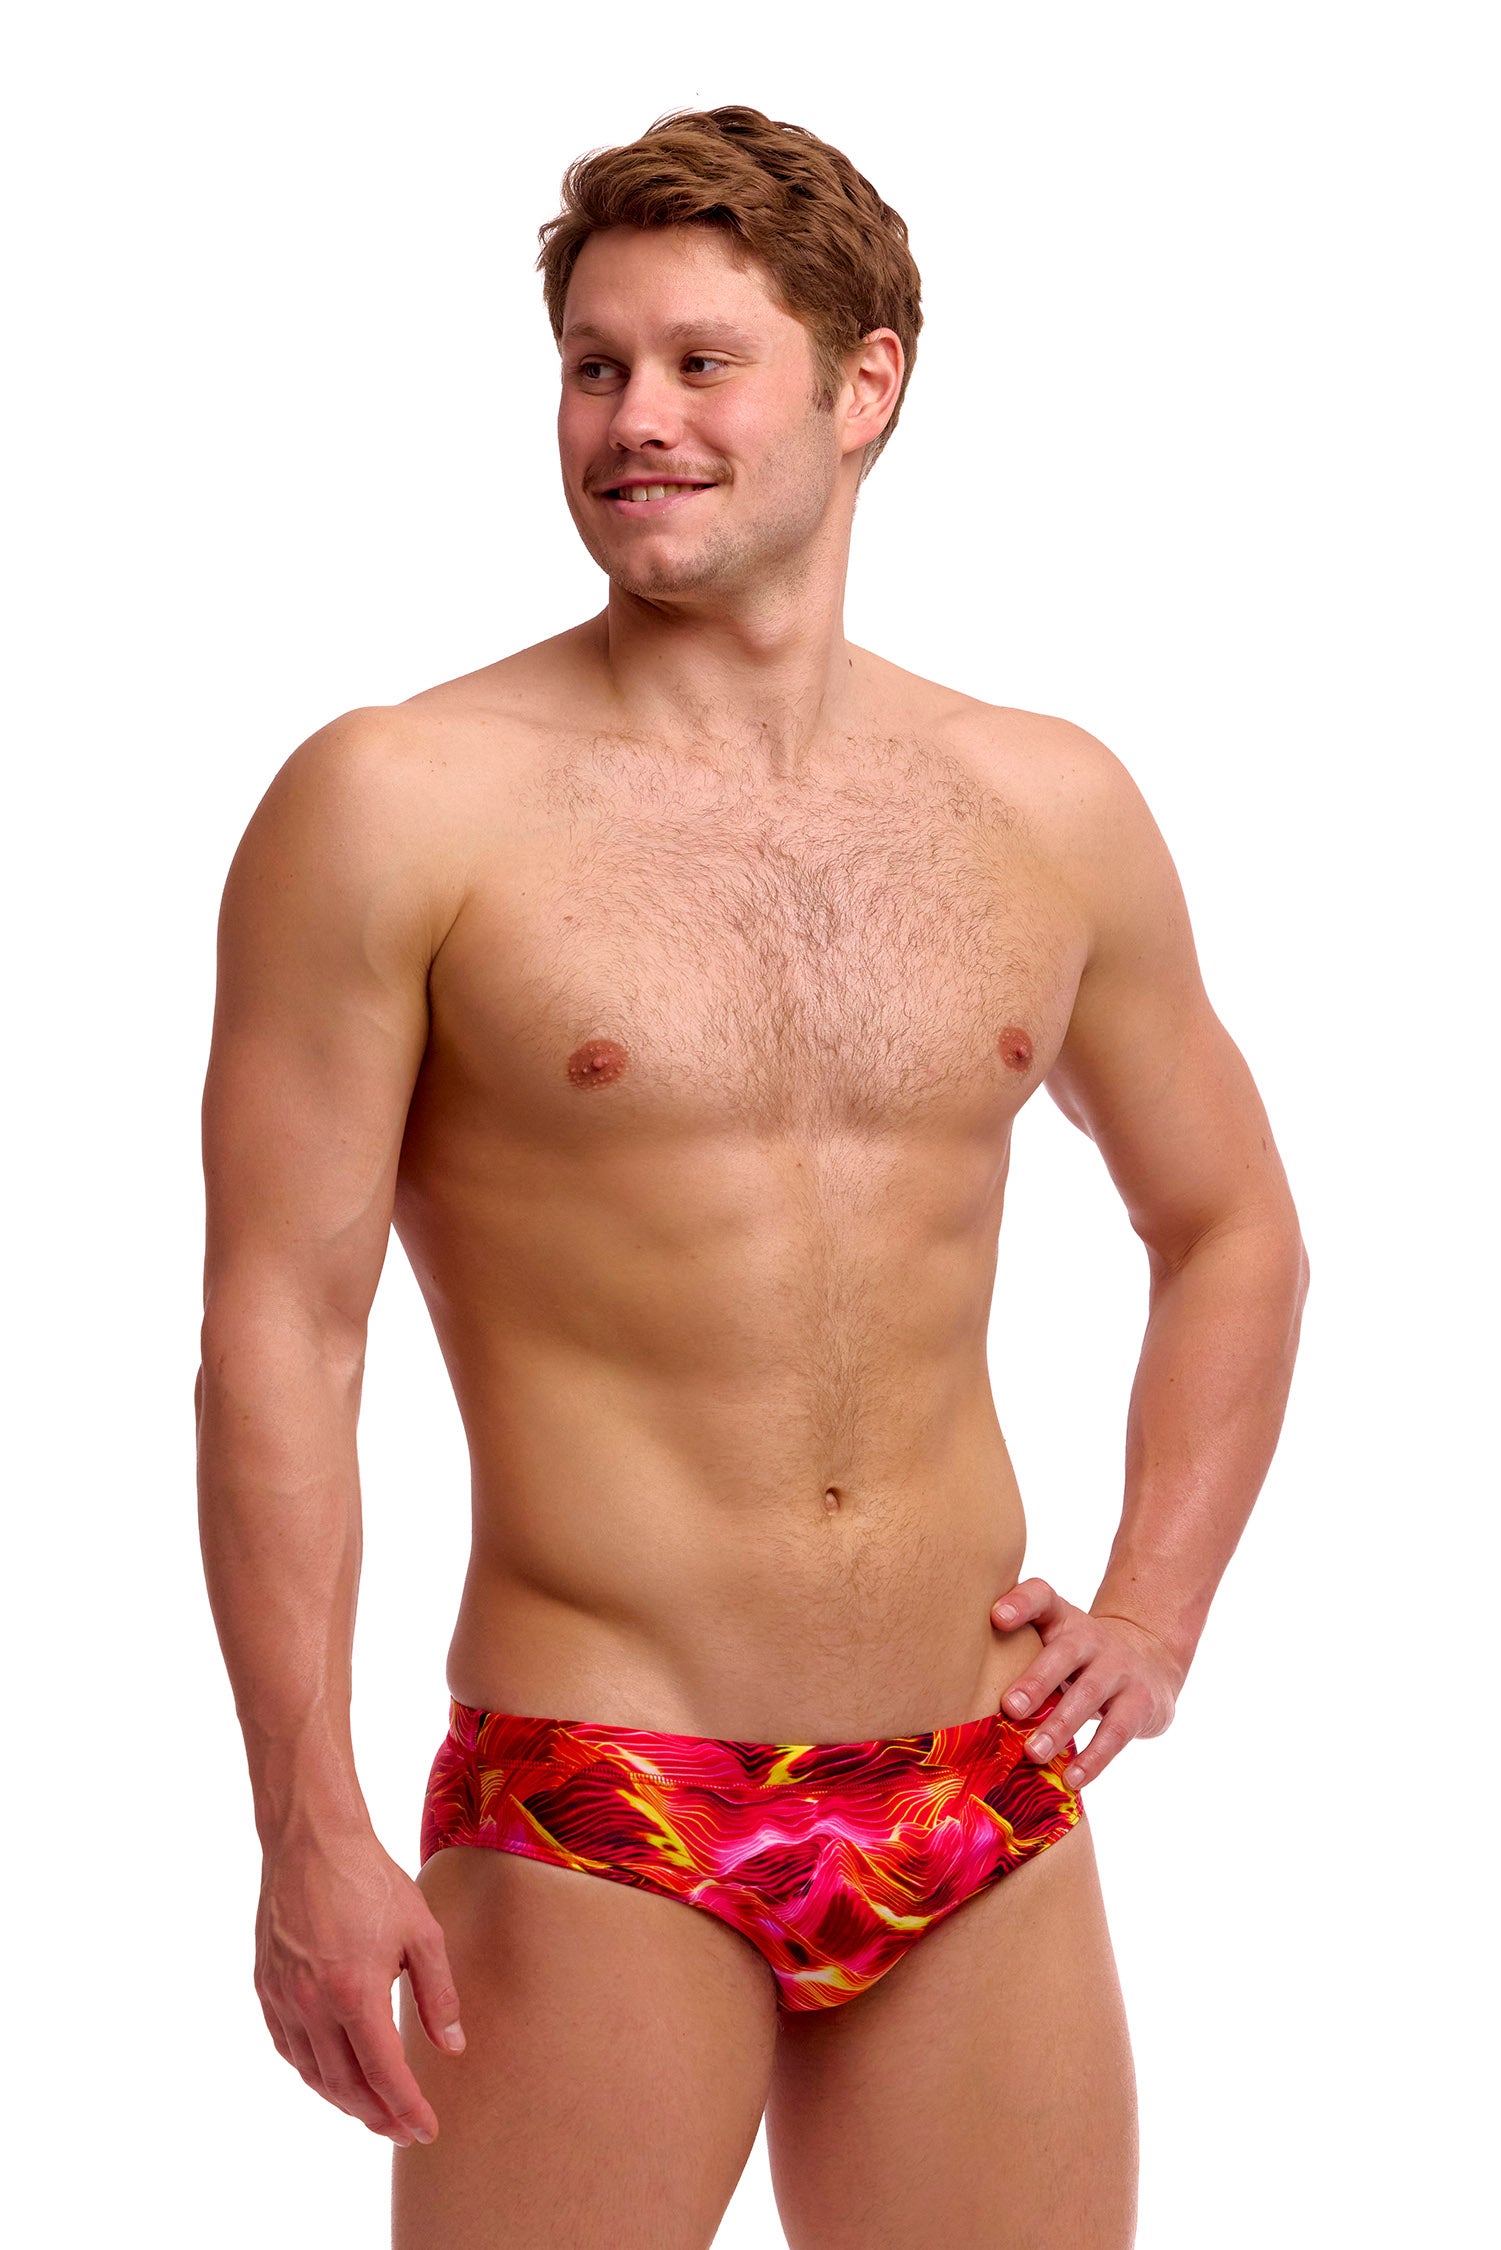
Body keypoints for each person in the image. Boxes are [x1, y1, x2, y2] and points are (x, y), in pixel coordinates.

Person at [196, 103, 1309, 2250]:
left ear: (863, 384)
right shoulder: (398, 799)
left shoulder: (1044, 802)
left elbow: (1230, 1222)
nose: (635, 419)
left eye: (702, 362)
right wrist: (303, 1816)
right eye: (593, 366)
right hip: (601, 1787)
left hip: (978, 1786)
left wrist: (1154, 1607)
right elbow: (281, 1329)